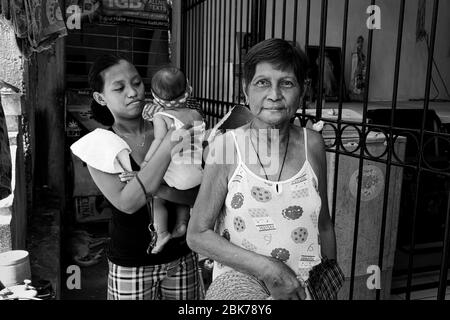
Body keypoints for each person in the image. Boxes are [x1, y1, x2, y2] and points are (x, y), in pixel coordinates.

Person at [187, 38, 343, 300]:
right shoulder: (227, 146)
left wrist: (328, 284)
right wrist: (271, 269)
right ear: (246, 90)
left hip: (304, 291)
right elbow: (197, 234)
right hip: (242, 289)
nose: (274, 95)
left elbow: (324, 224)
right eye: (262, 83)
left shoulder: (312, 144)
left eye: (287, 83)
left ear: (302, 91)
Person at [70, 54, 204, 300]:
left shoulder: (173, 122)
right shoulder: (100, 146)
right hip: (131, 265)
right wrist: (168, 144)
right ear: (101, 98)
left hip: (181, 258)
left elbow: (198, 192)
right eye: (119, 88)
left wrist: (151, 186)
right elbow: (128, 203)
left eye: (137, 83)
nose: (133, 92)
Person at [140, 67, 205, 254]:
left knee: (156, 196)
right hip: (196, 174)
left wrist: (147, 161)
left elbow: (160, 141)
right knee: (182, 197)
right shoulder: (196, 114)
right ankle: (182, 224)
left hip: (176, 174)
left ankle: (161, 233)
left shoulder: (162, 117)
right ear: (188, 91)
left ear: (154, 96)